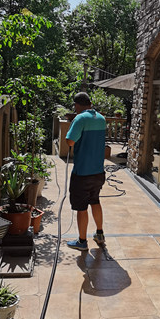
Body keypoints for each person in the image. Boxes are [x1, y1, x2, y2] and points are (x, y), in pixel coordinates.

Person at [65, 91, 107, 251]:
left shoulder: (80, 118)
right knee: (95, 201)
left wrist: (73, 125)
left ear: (77, 105)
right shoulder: (101, 118)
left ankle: (82, 241)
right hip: (98, 171)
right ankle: (100, 234)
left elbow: (70, 141)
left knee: (81, 207)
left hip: (82, 173)